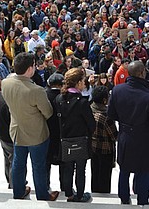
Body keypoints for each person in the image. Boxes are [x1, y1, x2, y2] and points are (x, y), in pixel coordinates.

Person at [2, 52, 59, 201]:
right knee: (38, 166)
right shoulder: (36, 90)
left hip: (16, 131)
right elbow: (48, 112)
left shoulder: (5, 83)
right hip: (36, 134)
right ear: (29, 69)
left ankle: (18, 192)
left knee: (18, 163)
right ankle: (42, 195)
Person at [107, 60, 149, 205]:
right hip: (145, 138)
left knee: (124, 170)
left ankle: (124, 199)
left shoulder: (117, 90)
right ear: (141, 73)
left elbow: (111, 115)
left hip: (125, 135)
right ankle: (142, 200)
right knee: (144, 170)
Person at [54, 68, 96, 202]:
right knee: (80, 169)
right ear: (78, 83)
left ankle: (69, 194)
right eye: (83, 81)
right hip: (81, 139)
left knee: (68, 168)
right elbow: (91, 124)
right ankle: (79, 195)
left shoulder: (59, 98)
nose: (85, 83)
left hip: (65, 139)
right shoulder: (82, 102)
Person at [90, 85, 118, 194]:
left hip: (93, 147)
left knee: (95, 173)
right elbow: (114, 135)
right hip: (106, 150)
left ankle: (95, 192)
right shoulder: (106, 116)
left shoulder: (89, 110)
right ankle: (104, 196)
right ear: (104, 100)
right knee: (105, 176)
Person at [0, 88, 14, 188]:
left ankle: (9, 179)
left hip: (1, 133)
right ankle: (14, 184)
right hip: (9, 135)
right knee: (14, 161)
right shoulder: (10, 101)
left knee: (7, 158)